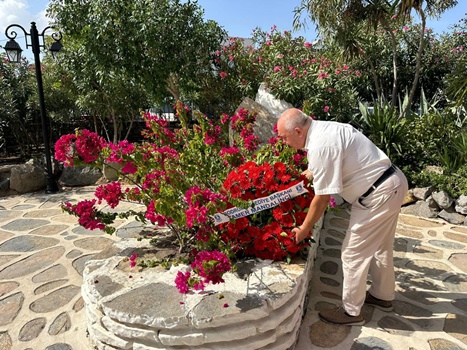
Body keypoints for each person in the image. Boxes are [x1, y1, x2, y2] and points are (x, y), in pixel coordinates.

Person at [277, 108, 408, 326]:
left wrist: (304, 229)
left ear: (298, 131)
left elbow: (322, 198)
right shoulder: (325, 130)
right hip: (389, 184)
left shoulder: (321, 145)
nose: (284, 142)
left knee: (352, 254)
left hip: (378, 194)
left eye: (284, 137)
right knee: (380, 247)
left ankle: (351, 313)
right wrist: (310, 173)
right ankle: (382, 296)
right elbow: (334, 161)